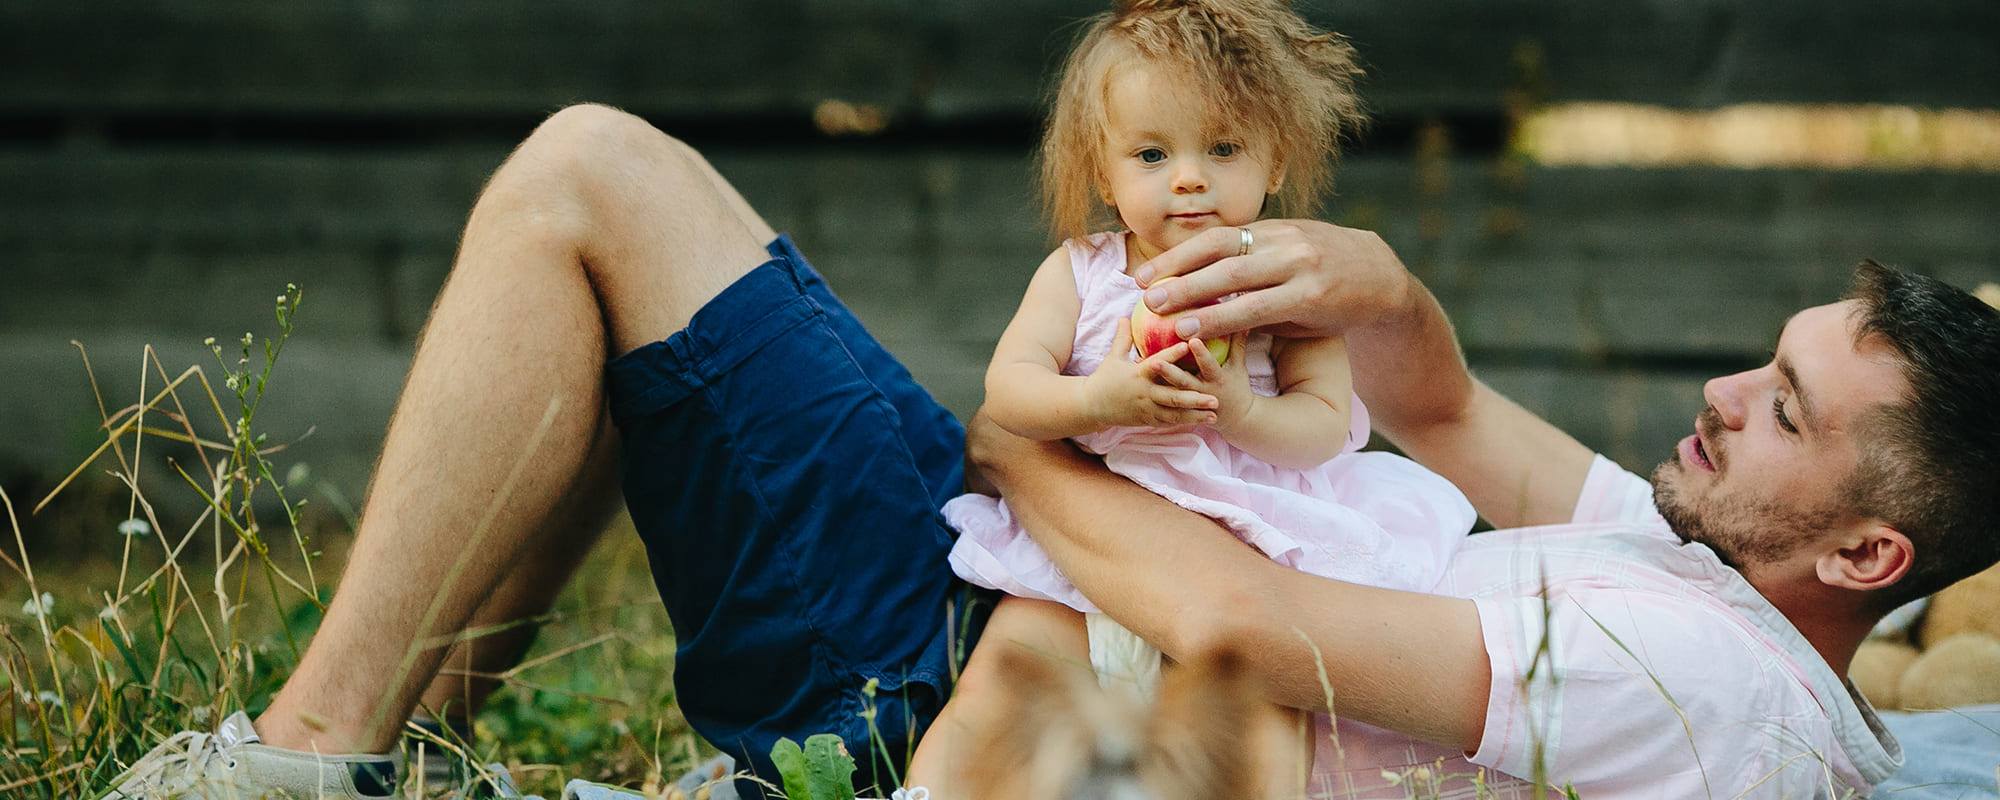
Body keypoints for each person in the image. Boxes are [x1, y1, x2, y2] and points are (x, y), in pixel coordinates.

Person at [101, 110, 2000, 800]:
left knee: (592, 183)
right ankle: (357, 755)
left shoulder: (1713, 693)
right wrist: (1378, 278)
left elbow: (1251, 628)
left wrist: (1022, 440)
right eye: (1765, 360)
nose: (1728, 399)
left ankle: (289, 768)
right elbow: (1435, 409)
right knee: (607, 211)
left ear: (1862, 564)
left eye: (1786, 410)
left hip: (984, 684)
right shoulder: (1695, 552)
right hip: (1038, 600)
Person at [906, 2, 1472, 796]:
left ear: (1274, 164)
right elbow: (1011, 391)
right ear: (1103, 172)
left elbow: (1320, 428)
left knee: (1265, 718)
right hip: (1088, 555)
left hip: (1247, 562)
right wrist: (1098, 399)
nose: (1189, 175)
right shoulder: (1080, 273)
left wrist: (1239, 409)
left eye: (1224, 146)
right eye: (1150, 152)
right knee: (1000, 683)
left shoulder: (1283, 285)